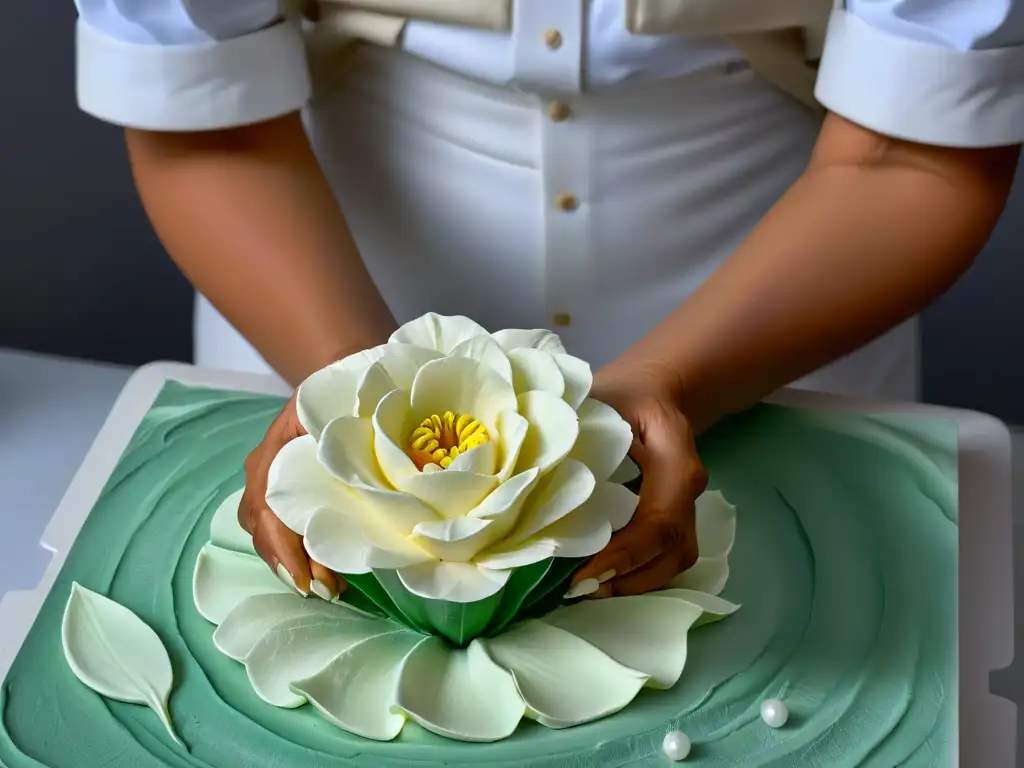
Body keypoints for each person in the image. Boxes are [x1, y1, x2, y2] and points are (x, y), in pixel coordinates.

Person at [75, 0, 1022, 602]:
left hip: (790, 302)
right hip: (308, 294)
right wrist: (347, 398)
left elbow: (910, 147)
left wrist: (677, 381)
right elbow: (206, 121)